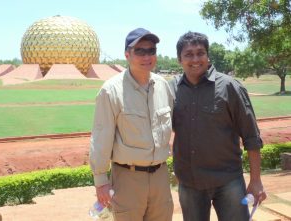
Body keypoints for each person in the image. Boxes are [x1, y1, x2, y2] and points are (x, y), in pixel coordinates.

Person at [169, 31, 267, 221]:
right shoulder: (171, 90)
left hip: (228, 181)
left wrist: (256, 181)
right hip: (190, 183)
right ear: (179, 59)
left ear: (208, 56)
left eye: (200, 53)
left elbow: (251, 136)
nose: (195, 59)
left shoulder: (230, 87)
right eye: (189, 54)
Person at [90, 28, 174, 221]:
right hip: (128, 178)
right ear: (127, 54)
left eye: (151, 50)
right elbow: (101, 138)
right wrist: (101, 181)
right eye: (140, 51)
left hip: (160, 176)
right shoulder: (111, 91)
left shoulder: (163, 87)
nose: (147, 56)